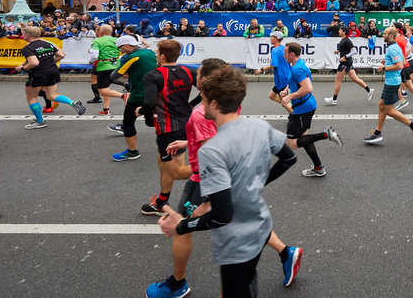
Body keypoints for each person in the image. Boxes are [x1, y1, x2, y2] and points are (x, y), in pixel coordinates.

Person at [147, 58, 305, 297]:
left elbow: (222, 216)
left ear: (213, 103)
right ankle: (285, 254)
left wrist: (180, 225)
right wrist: (258, 183)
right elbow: (289, 159)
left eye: (203, 100)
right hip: (259, 224)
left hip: (236, 243)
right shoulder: (258, 126)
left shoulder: (212, 151)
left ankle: (176, 286)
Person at [138, 40, 195, 216]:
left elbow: (149, 102)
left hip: (170, 128)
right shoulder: (188, 71)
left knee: (176, 171)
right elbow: (208, 90)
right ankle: (162, 203)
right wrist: (192, 104)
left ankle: (216, 170)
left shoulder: (153, 75)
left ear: (162, 56)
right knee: (162, 164)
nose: (156, 56)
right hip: (182, 123)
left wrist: (140, 111)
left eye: (157, 54)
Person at [280, 41, 342, 177]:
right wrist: (286, 90)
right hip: (306, 105)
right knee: (305, 138)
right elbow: (295, 82)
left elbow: (307, 88)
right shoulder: (299, 64)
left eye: (285, 53)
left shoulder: (297, 68)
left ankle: (326, 134)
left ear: (291, 54)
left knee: (292, 143)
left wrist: (289, 97)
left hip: (303, 108)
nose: (283, 56)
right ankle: (318, 168)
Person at [16, 26, 86, 129]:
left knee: (31, 97)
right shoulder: (48, 43)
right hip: (52, 71)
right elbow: (62, 55)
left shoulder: (27, 48)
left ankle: (40, 121)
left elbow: (34, 62)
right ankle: (73, 103)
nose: (21, 35)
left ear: (28, 35)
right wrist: (48, 62)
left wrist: (22, 68)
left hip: (38, 73)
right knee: (51, 95)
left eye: (22, 33)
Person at [363, 26, 413, 144]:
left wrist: (384, 67)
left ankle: (412, 125)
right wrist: (388, 61)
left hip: (392, 83)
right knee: (381, 106)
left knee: (389, 110)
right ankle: (377, 133)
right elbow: (404, 62)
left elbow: (400, 65)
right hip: (391, 81)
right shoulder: (395, 47)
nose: (382, 35)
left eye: (384, 33)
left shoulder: (392, 49)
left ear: (390, 36)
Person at [108, 34, 158, 161]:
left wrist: (127, 72)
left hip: (139, 93)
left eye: (121, 48)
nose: (121, 51)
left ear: (126, 45)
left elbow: (114, 75)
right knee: (153, 120)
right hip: (156, 92)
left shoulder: (132, 57)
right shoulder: (150, 53)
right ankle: (173, 143)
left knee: (128, 122)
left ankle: (132, 152)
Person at [324, 25, 374, 106]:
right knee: (355, 79)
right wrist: (339, 51)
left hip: (345, 63)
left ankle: (334, 99)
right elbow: (345, 49)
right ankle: (369, 90)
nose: (339, 31)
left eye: (340, 30)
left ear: (344, 32)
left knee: (337, 81)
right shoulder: (343, 40)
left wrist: (345, 57)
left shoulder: (347, 41)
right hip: (348, 63)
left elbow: (354, 51)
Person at [89, 25, 124, 115]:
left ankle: (124, 96)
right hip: (115, 65)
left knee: (103, 90)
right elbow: (123, 52)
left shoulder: (97, 41)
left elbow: (94, 55)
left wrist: (90, 61)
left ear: (101, 32)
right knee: (107, 88)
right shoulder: (116, 40)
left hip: (103, 66)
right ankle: (106, 109)